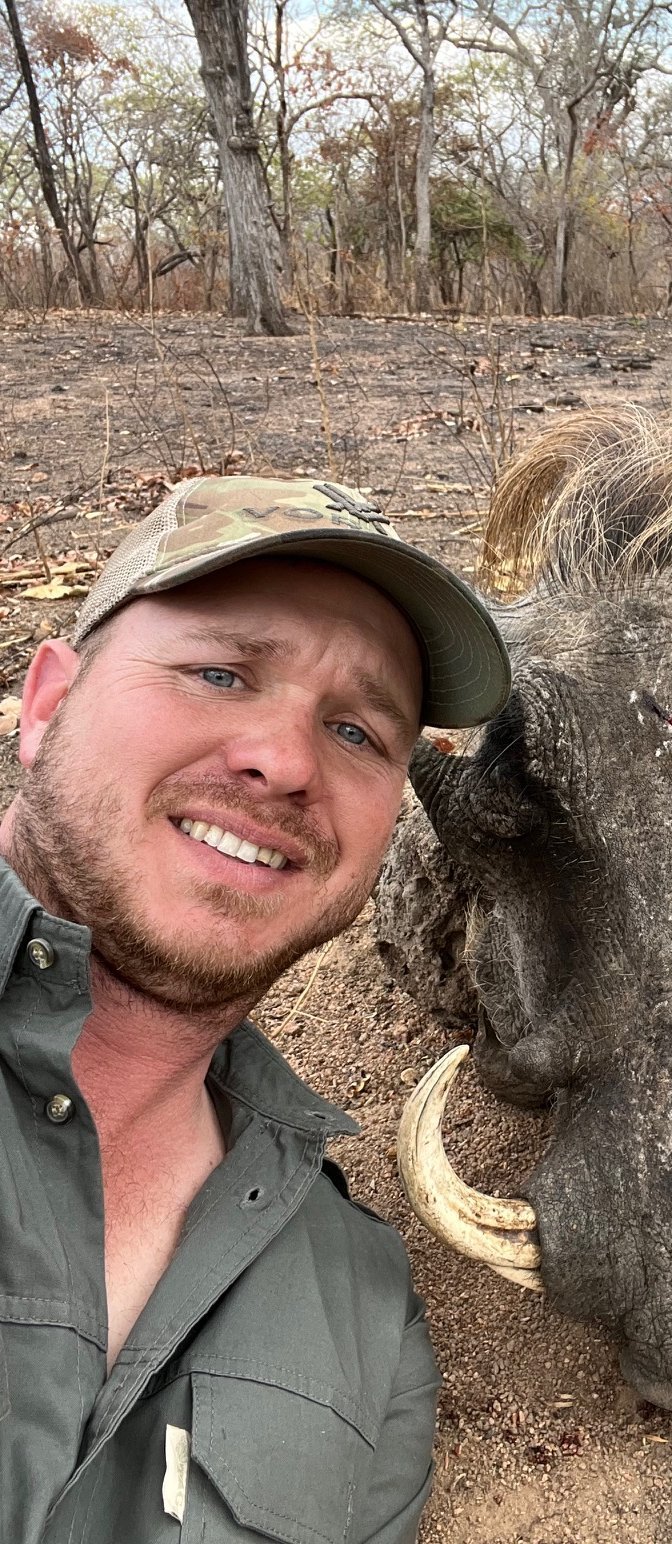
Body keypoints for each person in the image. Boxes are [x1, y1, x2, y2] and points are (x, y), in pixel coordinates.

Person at [0, 476, 511, 1543]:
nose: (283, 762)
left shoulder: (369, 1318)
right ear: (46, 704)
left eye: (360, 732)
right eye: (220, 671)